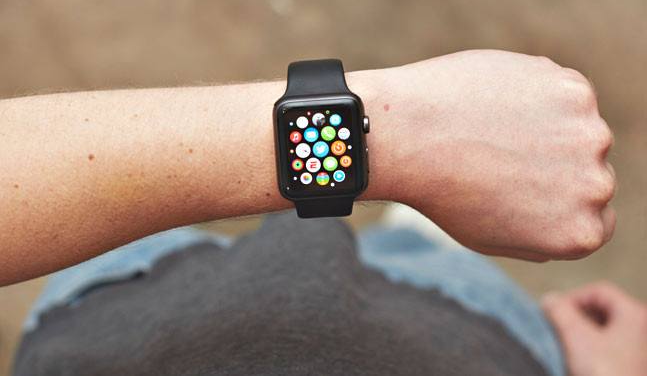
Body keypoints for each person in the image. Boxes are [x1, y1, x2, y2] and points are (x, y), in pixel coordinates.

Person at [1, 50, 635, 375]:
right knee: (425, 254)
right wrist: (409, 140)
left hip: (110, 298)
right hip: (464, 329)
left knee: (132, 225)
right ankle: (426, 233)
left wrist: (410, 143)